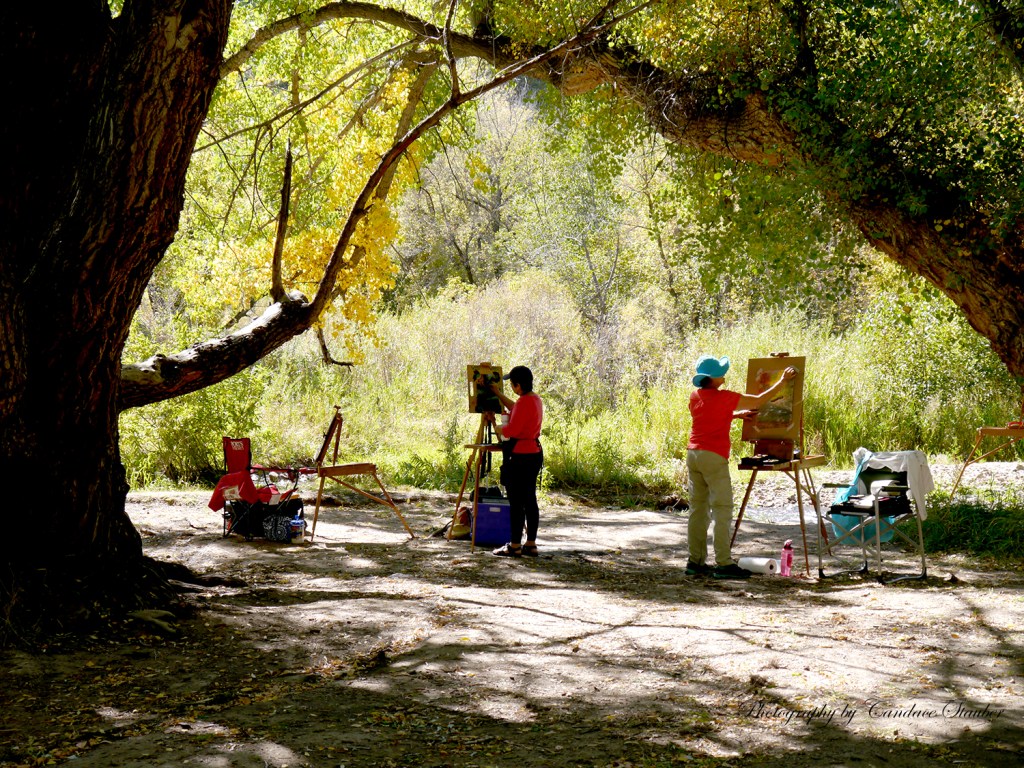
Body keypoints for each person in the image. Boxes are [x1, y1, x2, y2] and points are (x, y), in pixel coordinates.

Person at [685, 355, 797, 579]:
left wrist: (734, 415)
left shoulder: (695, 395)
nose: (724, 375)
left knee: (698, 511)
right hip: (713, 456)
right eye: (721, 373)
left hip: (694, 454)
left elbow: (708, 416)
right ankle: (723, 564)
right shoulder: (724, 397)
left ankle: (695, 562)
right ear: (714, 378)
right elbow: (758, 400)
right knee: (722, 509)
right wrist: (783, 381)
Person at [486, 365, 544, 557]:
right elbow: (515, 408)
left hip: (520, 456)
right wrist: (497, 394)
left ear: (518, 386)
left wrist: (494, 422)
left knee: (516, 502)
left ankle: (515, 545)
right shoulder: (534, 400)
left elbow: (509, 432)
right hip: (534, 453)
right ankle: (531, 543)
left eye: (511, 384)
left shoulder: (523, 403)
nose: (511, 387)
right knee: (530, 499)